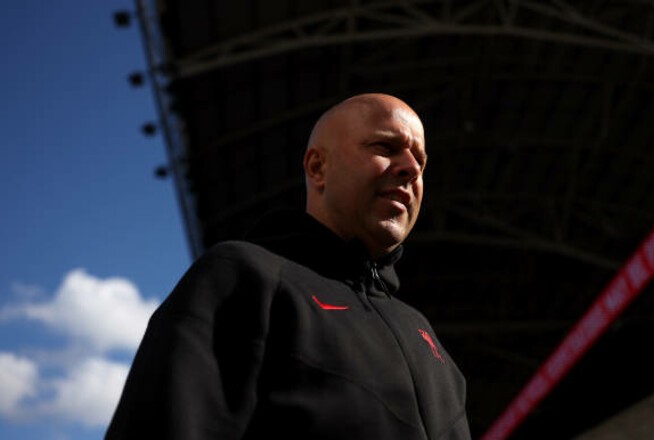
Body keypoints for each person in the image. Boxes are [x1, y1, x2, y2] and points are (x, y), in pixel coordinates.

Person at [106, 93, 471, 439]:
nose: (411, 169)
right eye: (385, 148)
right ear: (318, 167)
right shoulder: (242, 276)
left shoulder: (426, 338)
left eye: (421, 162)